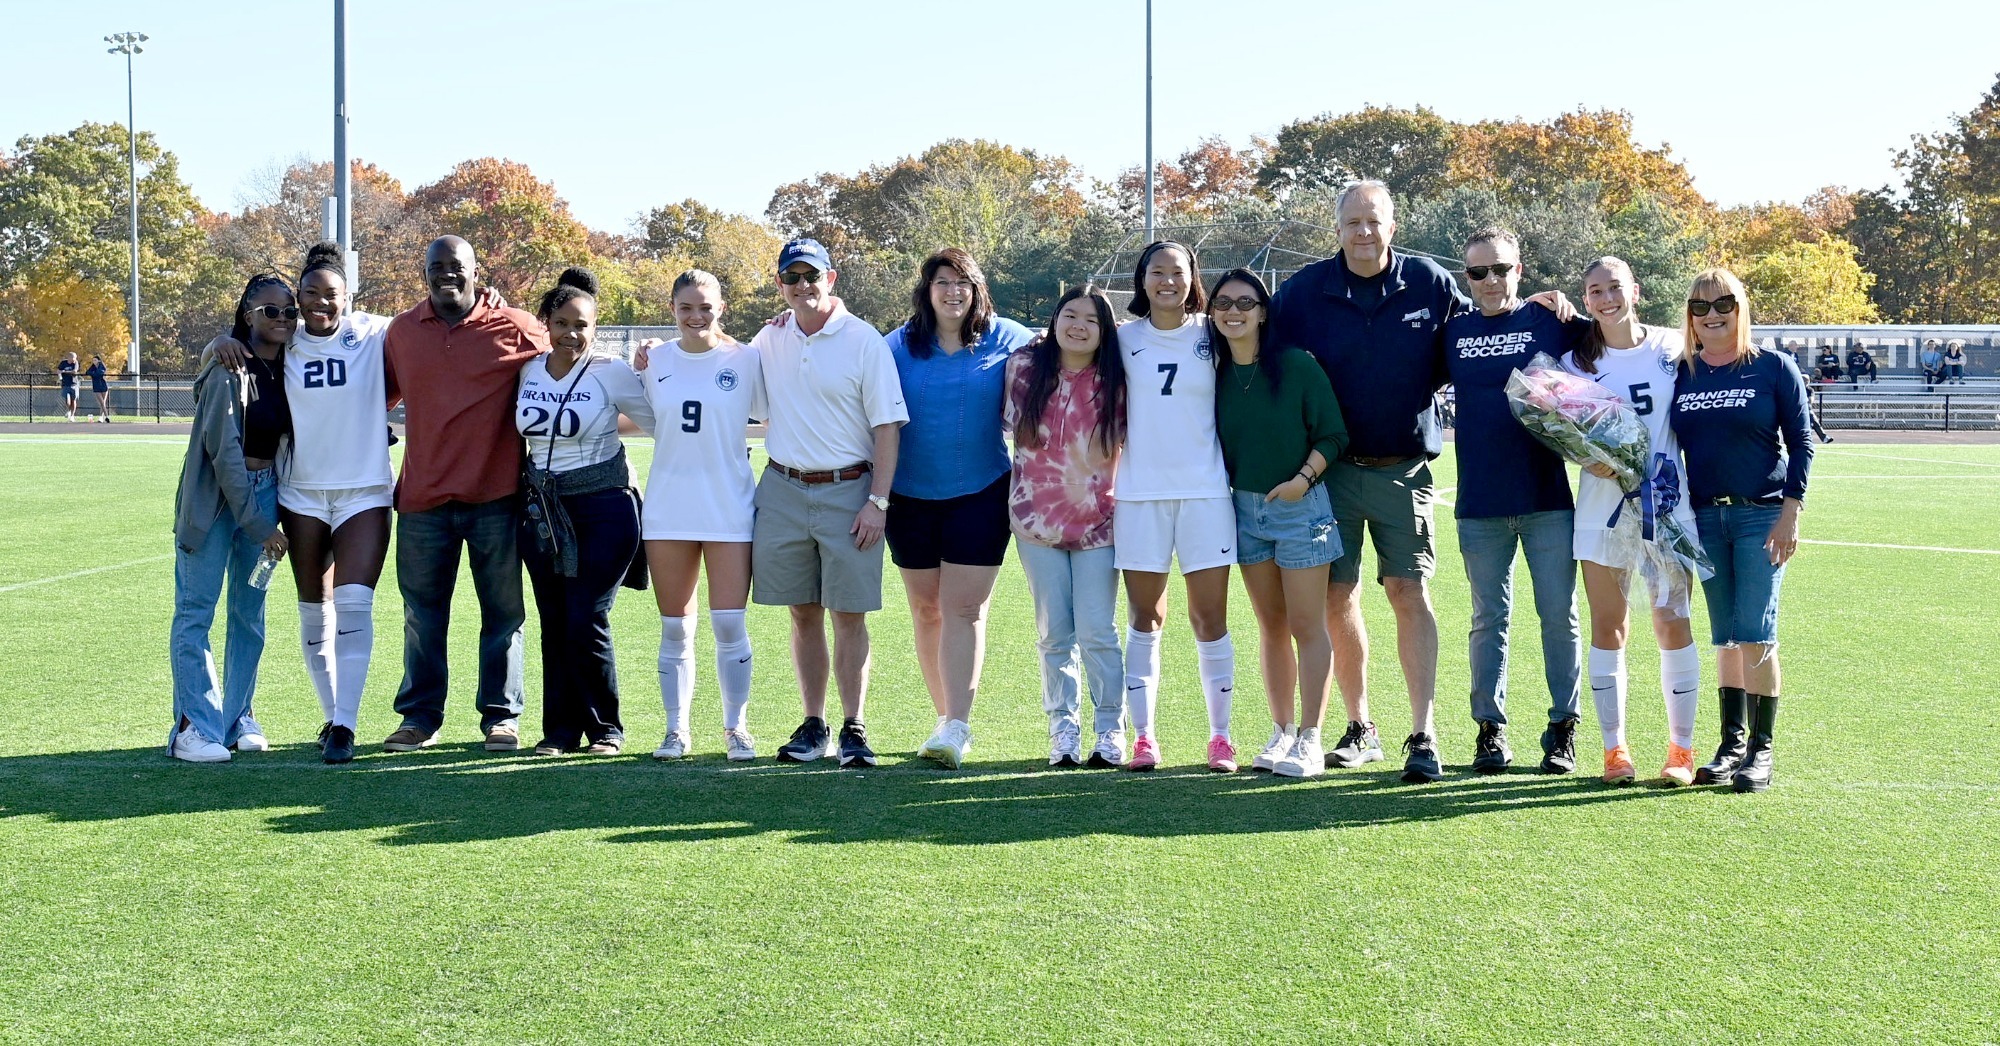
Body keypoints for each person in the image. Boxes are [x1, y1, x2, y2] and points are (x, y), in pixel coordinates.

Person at [1266, 181, 1469, 783]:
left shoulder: (1430, 282)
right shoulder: (1303, 292)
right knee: (1335, 598)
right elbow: (1261, 358)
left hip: (1404, 471)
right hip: (1326, 476)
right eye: (1352, 222)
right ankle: (1361, 727)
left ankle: (1423, 733)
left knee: (1408, 593)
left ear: (1393, 225)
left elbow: (1485, 324)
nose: (1363, 232)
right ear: (1337, 228)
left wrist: (1542, 306)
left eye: (1373, 221)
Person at [382, 235, 548, 753]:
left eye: (456, 267)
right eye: (436, 267)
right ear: (424, 273)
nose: (445, 275)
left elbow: (574, 358)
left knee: (503, 616)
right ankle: (419, 717)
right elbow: (369, 394)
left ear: (477, 271)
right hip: (422, 502)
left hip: (494, 498)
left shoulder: (516, 327)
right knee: (421, 615)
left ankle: (501, 717)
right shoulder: (402, 333)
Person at [750, 238, 906, 767]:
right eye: (791, 278)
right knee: (802, 612)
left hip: (850, 491)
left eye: (811, 275)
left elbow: (888, 427)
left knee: (849, 614)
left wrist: (877, 503)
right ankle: (814, 726)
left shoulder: (864, 341)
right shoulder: (769, 338)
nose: (802, 286)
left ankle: (854, 727)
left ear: (831, 278)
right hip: (784, 488)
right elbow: (724, 366)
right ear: (780, 286)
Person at [1440, 228, 1587, 776]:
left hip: (1547, 497)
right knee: (1488, 620)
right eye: (1478, 271)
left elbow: (1616, 341)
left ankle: (1562, 729)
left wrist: (1570, 308)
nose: (1490, 281)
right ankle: (1490, 730)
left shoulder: (1549, 320)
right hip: (1480, 504)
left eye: (1500, 269)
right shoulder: (1451, 333)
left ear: (1519, 271)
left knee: (1559, 617)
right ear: (1466, 277)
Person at [886, 249, 1035, 769]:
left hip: (982, 493)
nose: (953, 292)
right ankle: (944, 717)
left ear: (977, 290)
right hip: (908, 498)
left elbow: (1078, 342)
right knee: (926, 610)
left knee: (964, 610)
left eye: (963, 283)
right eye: (942, 282)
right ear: (926, 290)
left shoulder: (1009, 337)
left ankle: (959, 725)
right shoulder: (896, 345)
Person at [1562, 256, 1704, 786]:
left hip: (1666, 507)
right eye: (1594, 290)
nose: (1606, 298)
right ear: (1587, 299)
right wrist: (1582, 456)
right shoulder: (1574, 362)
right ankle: (1614, 750)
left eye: (1614, 287)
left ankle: (1681, 751)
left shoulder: (1672, 346)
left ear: (1636, 291)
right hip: (1602, 508)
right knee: (1609, 627)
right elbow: (1560, 426)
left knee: (1672, 623)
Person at [1671, 268, 1813, 794]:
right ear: (1689, 316)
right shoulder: (1681, 372)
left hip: (1761, 517)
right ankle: (1730, 744)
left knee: (1756, 631)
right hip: (1705, 518)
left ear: (1740, 307)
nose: (1712, 315)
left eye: (1723, 303)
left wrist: (1790, 513)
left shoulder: (1774, 367)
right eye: (1700, 307)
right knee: (1725, 635)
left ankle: (1761, 750)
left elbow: (1802, 443)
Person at [1209, 268, 1347, 779]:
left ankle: (1310, 738)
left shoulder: (1295, 366)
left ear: (1263, 311)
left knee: (1308, 626)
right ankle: (1282, 730)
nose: (1234, 312)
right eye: (1223, 303)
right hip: (1243, 512)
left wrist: (1301, 481)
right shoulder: (1215, 373)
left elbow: (1333, 435)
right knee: (1272, 627)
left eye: (1245, 303)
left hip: (1300, 507)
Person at [516, 268, 653, 757]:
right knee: (553, 618)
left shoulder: (610, 371)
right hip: (544, 514)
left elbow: (658, 419)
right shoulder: (528, 370)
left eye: (583, 324)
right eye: (562, 323)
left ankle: (605, 729)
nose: (572, 333)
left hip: (604, 509)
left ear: (596, 326)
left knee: (586, 615)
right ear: (545, 324)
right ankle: (558, 732)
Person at [1115, 240, 1239, 773]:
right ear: (1142, 280)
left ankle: (1221, 736)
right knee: (1146, 616)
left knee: (1209, 616)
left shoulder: (1213, 333)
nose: (1168, 281)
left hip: (1206, 493)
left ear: (1194, 278)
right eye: (1157, 272)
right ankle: (1144, 736)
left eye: (1179, 272)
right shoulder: (1120, 340)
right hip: (1139, 495)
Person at [638, 270, 766, 761]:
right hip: (669, 508)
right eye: (686, 307)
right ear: (672, 308)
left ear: (722, 308)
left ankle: (736, 727)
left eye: (705, 307)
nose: (696, 317)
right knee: (676, 628)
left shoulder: (747, 359)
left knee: (730, 623)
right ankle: (676, 730)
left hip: (729, 507)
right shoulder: (653, 361)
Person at [167, 274, 292, 762]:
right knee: (196, 612)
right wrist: (262, 526)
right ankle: (193, 726)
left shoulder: (293, 362)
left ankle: (237, 715)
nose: (282, 320)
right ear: (246, 313)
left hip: (266, 494)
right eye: (269, 311)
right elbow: (225, 456)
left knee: (249, 614)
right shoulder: (226, 365)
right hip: (213, 502)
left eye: (289, 312)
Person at [1004, 285, 1128, 768]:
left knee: (1098, 630)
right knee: (1054, 633)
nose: (1078, 326)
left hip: (1099, 523)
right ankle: (1063, 730)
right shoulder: (1023, 370)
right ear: (1053, 320)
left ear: (1105, 331)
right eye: (1069, 315)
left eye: (1091, 320)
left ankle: (1110, 728)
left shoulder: (1118, 378)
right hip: (1034, 520)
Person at [87, 354, 112, 422]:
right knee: (101, 402)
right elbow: (88, 372)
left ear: (99, 360)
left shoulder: (102, 366)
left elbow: (99, 373)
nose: (94, 361)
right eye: (93, 360)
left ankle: (101, 417)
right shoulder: (92, 367)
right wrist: (93, 373)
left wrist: (93, 374)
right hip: (96, 386)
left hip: (103, 386)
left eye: (95, 360)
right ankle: (107, 417)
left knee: (103, 402)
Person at [58, 353, 79, 421]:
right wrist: (60, 377)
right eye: (73, 358)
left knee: (74, 400)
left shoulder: (75, 363)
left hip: (74, 384)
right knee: (67, 399)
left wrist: (65, 371)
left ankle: (72, 415)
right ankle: (68, 411)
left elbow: (74, 371)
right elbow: (58, 371)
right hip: (65, 384)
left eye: (75, 358)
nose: (74, 359)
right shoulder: (63, 363)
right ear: (69, 357)